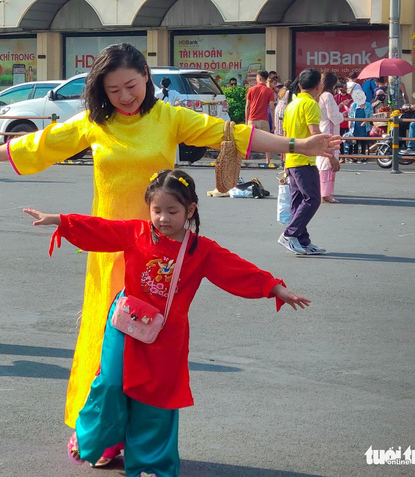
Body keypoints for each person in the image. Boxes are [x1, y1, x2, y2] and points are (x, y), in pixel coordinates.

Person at [0, 43, 337, 440]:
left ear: (146, 78)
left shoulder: (169, 117)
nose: (125, 97)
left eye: (131, 85)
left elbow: (234, 135)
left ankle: (135, 432)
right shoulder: (95, 124)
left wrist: (298, 146)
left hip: (158, 253)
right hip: (109, 247)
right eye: (113, 90)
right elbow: (40, 145)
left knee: (150, 345)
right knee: (105, 339)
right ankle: (97, 428)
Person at [24, 169, 310, 476]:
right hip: (124, 325)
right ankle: (97, 441)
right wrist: (60, 220)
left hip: (166, 336)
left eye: (172, 211)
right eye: (156, 210)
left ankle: (151, 463)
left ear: (190, 210)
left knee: (155, 400)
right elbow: (102, 228)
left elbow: (237, 270)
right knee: (109, 384)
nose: (163, 218)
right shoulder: (136, 233)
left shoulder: (201, 250)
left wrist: (275, 287)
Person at [279, 68, 326, 255]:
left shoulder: (292, 104)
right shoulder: (311, 104)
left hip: (291, 158)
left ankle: (302, 241)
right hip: (304, 159)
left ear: (299, 85)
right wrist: (330, 154)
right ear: (318, 86)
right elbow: (314, 132)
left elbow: (284, 134)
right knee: (312, 199)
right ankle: (289, 234)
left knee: (298, 202)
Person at [316, 72, 343, 203]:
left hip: (322, 126)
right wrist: (342, 115)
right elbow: (334, 115)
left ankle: (323, 191)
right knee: (329, 160)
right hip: (330, 128)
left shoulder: (319, 96)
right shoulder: (328, 96)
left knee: (322, 160)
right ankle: (326, 193)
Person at [244, 70, 277, 167]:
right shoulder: (269, 91)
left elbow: (247, 106)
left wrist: (246, 121)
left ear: (259, 78)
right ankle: (268, 160)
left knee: (248, 139)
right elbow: (271, 107)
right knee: (267, 140)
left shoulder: (251, 89)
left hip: (252, 119)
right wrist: (273, 123)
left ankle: (246, 158)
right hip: (264, 119)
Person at [348, 88, 372, 159]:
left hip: (365, 126)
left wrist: (366, 121)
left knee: (363, 141)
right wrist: (349, 122)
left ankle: (363, 156)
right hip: (355, 125)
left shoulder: (368, 105)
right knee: (355, 141)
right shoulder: (353, 105)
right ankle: (355, 156)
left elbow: (371, 115)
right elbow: (350, 115)